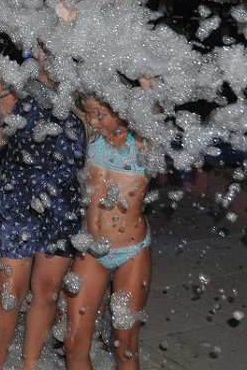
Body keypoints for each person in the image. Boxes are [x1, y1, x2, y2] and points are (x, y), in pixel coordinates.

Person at [0, 49, 85, 370]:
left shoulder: (85, 91)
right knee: (10, 289)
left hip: (64, 203)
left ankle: (30, 365)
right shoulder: (14, 83)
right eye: (44, 46)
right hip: (16, 198)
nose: (50, 53)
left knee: (47, 290)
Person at [64, 92, 152, 370]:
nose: (92, 120)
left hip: (131, 253)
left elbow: (152, 95)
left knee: (124, 345)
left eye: (100, 114)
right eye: (89, 113)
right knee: (73, 342)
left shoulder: (142, 140)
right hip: (91, 249)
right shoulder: (93, 133)